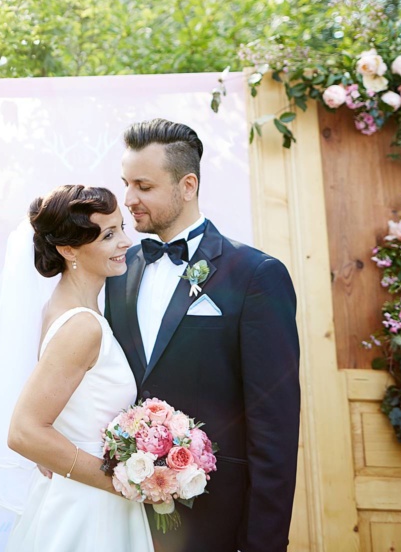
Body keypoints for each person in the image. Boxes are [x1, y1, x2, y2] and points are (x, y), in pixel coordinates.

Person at [105, 118, 301, 552]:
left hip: (215, 517)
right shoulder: (115, 272)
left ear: (187, 185)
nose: (128, 200)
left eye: (143, 186)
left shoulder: (255, 276)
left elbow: (276, 429)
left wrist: (263, 543)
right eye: (126, 184)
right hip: (119, 514)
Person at [0, 184, 154, 551]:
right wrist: (123, 482)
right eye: (108, 235)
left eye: (122, 227)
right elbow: (24, 431)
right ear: (68, 248)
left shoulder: (66, 310)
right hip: (89, 510)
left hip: (81, 495)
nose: (125, 242)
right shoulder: (82, 326)